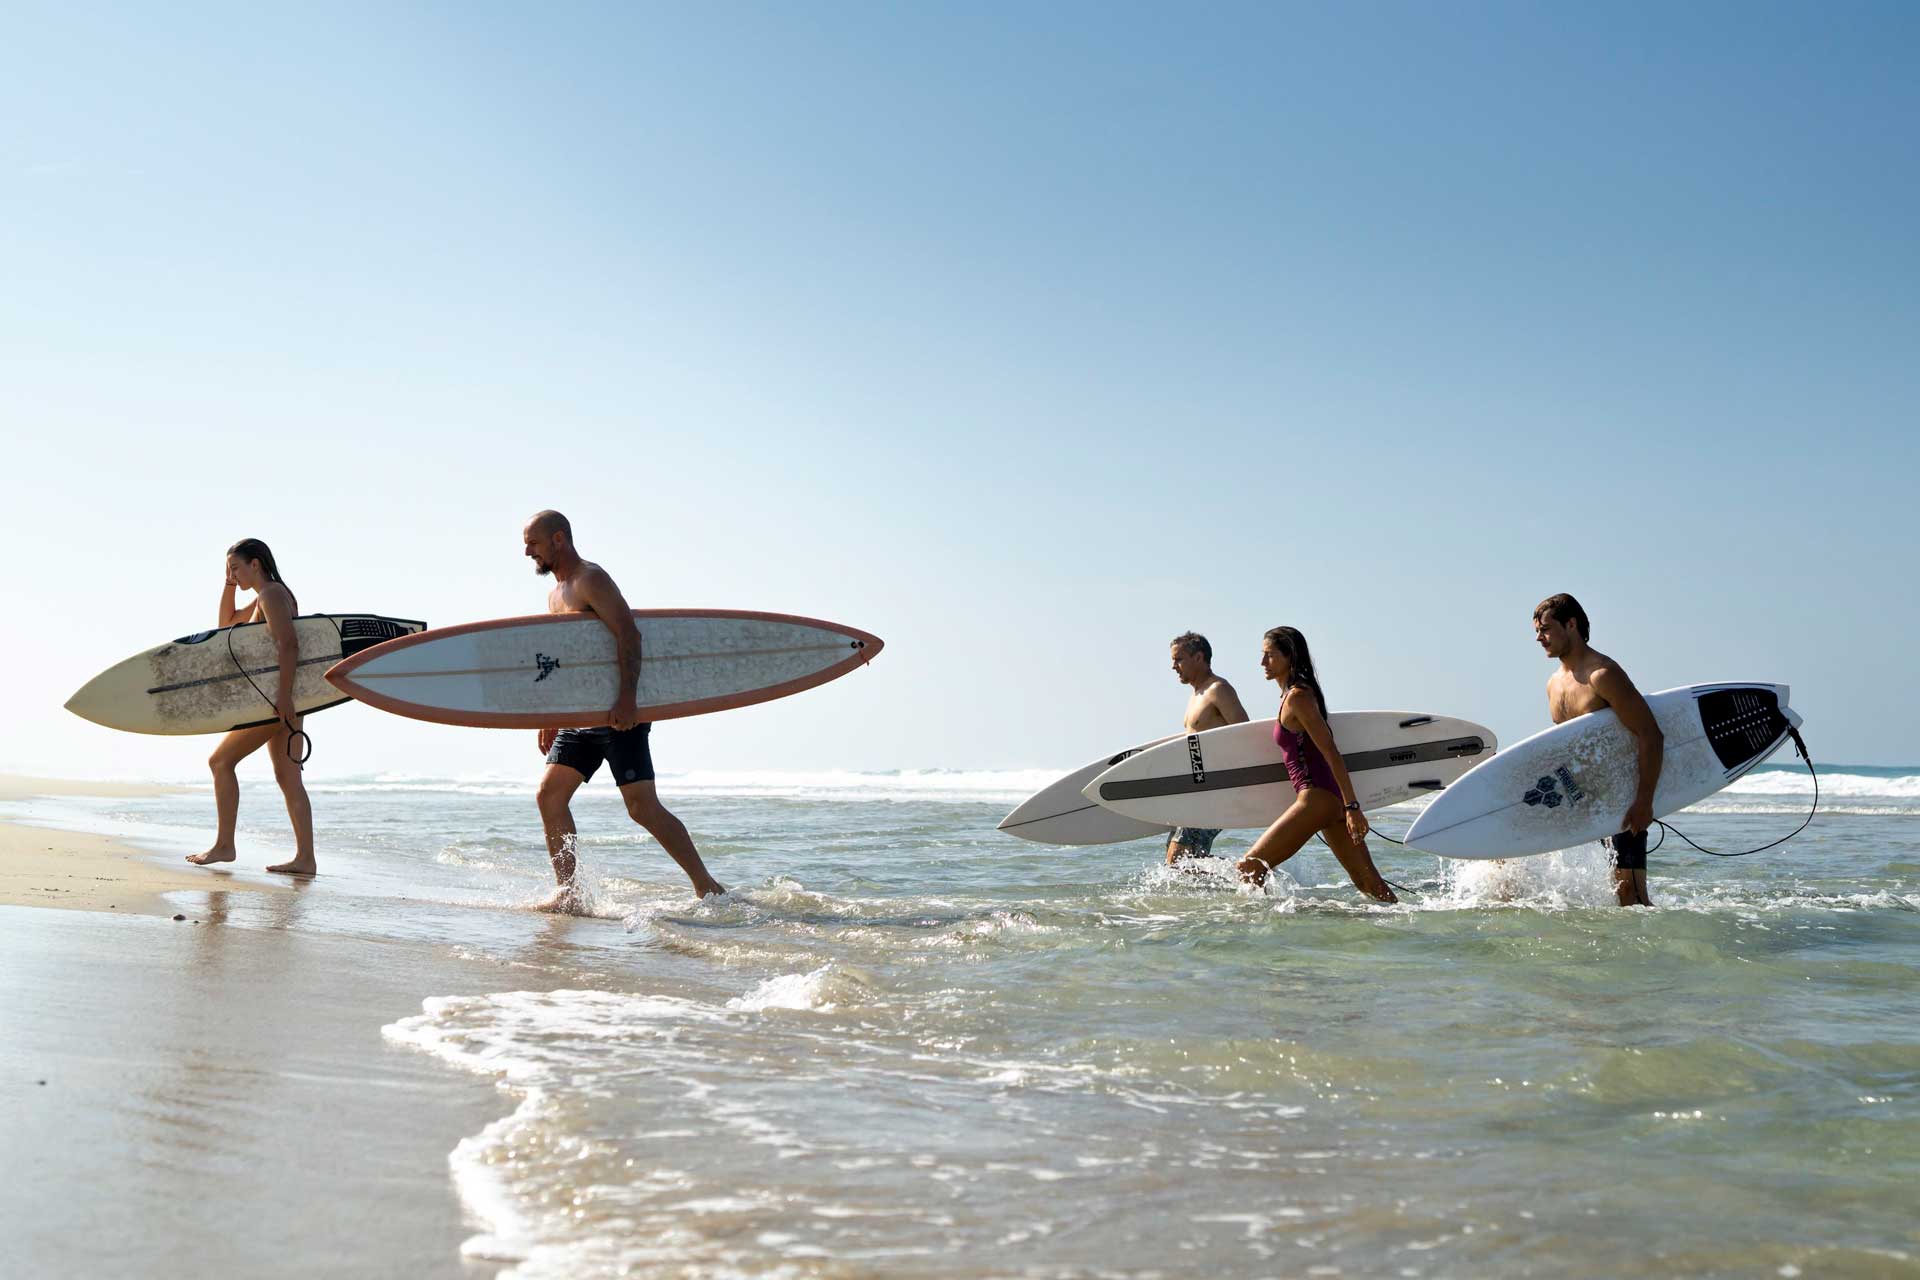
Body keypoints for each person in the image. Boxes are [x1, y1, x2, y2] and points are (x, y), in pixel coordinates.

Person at [523, 510, 726, 910]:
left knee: (642, 808)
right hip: (581, 717)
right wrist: (553, 716)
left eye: (533, 543)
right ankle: (571, 894)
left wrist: (628, 699)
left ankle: (707, 886)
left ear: (558, 539)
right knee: (549, 796)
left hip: (619, 715)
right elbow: (565, 660)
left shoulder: (590, 579)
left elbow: (629, 635)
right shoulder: (555, 594)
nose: (527, 551)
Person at [1235, 627, 1396, 902]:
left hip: (1316, 799)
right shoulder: (1292, 696)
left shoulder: (1298, 697)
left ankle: (1262, 933)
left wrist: (1352, 806)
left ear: (1289, 657)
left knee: (1250, 868)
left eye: (1269, 655)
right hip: (1325, 801)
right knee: (1370, 884)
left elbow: (1330, 750)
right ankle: (1409, 928)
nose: (1262, 663)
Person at [187, 539, 317, 876]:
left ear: (255, 564)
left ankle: (225, 845)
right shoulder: (269, 595)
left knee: (220, 761)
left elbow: (288, 644)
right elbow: (226, 624)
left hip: (273, 700)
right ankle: (306, 859)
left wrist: (284, 697)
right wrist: (229, 584)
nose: (233, 575)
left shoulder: (271, 595)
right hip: (284, 699)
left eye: (236, 568)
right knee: (288, 778)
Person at [1534, 593, 1664, 907]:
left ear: (1571, 624)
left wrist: (1644, 801)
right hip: (1584, 798)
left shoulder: (1602, 675)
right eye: (1537, 631)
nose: (1540, 638)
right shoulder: (1554, 683)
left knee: (1630, 897)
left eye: (1546, 629)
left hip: (1621, 798)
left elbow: (1650, 735)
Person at [1165, 632, 1248, 863]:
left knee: (1177, 859)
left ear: (1199, 657)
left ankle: (1250, 873)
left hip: (1216, 790)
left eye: (1179, 659)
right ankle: (1246, 876)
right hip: (1200, 789)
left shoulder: (1218, 690)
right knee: (1183, 861)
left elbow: (1245, 735)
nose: (1173, 666)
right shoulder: (1196, 695)